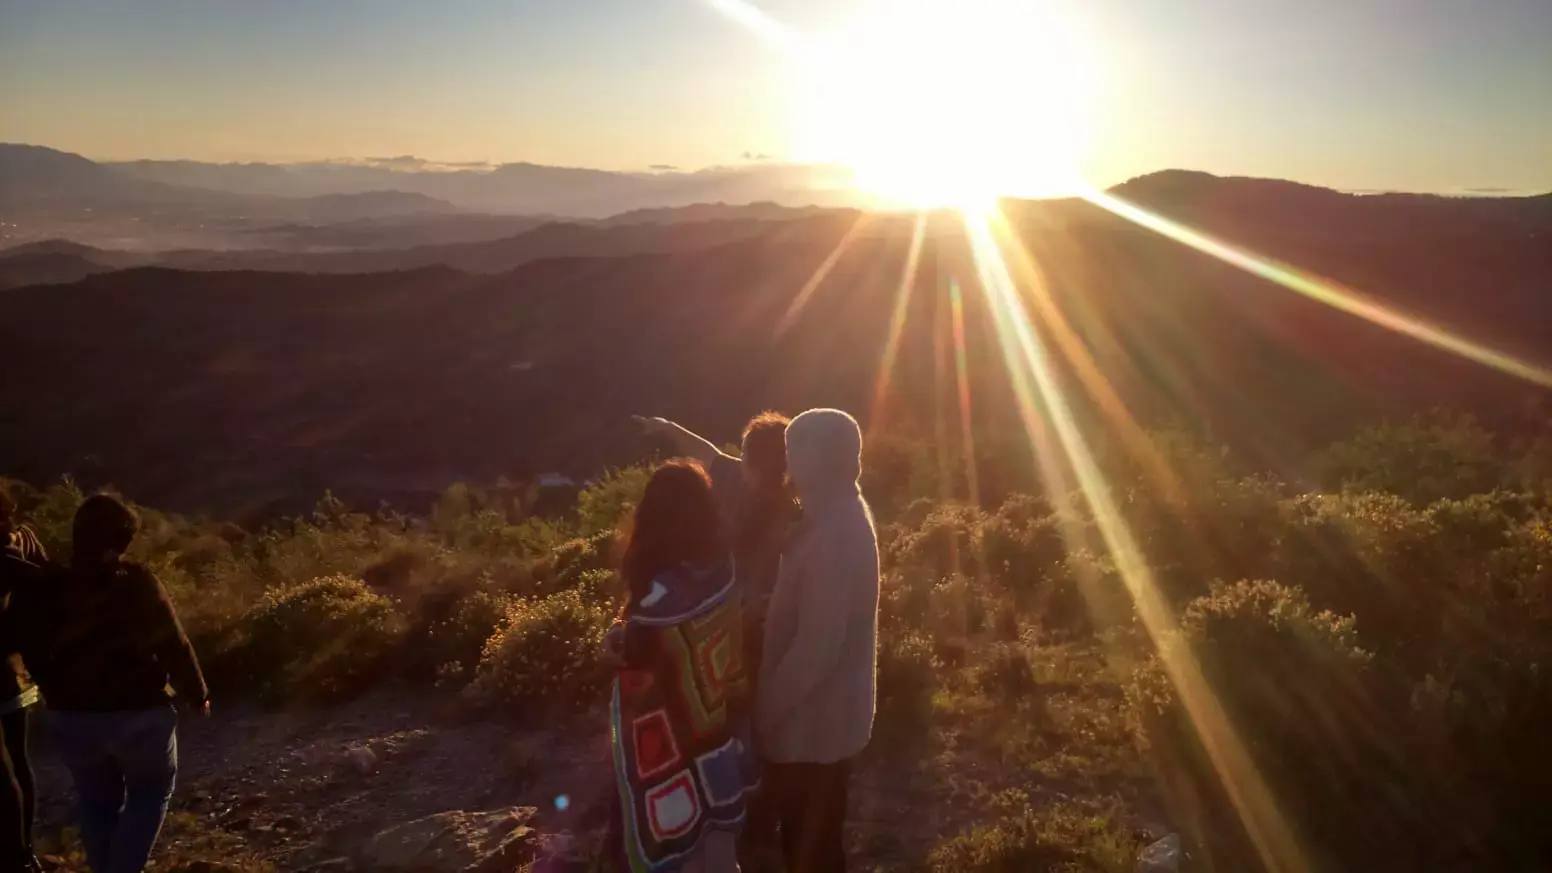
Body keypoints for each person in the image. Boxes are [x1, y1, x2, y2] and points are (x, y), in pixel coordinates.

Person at [9, 494, 209, 873]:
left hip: (72, 717)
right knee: (149, 793)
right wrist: (196, 693)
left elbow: (17, 637)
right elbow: (173, 642)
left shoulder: (44, 587)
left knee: (96, 800)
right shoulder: (137, 582)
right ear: (123, 540)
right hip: (139, 714)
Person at [604, 460, 759, 873]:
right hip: (717, 731)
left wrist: (613, 641)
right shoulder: (723, 568)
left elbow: (635, 656)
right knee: (722, 849)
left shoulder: (659, 592)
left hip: (671, 749)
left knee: (686, 851)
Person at [756, 409, 880, 873]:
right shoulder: (836, 512)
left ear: (817, 457)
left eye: (793, 451)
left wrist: (768, 710)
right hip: (826, 719)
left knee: (810, 851)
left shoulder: (832, 532)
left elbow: (818, 645)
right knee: (819, 842)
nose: (787, 463)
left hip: (813, 725)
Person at [0, 485, 46, 873]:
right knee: (18, 761)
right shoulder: (22, 540)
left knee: (4, 771)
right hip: (12, 670)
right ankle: (25, 850)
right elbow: (49, 583)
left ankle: (16, 857)